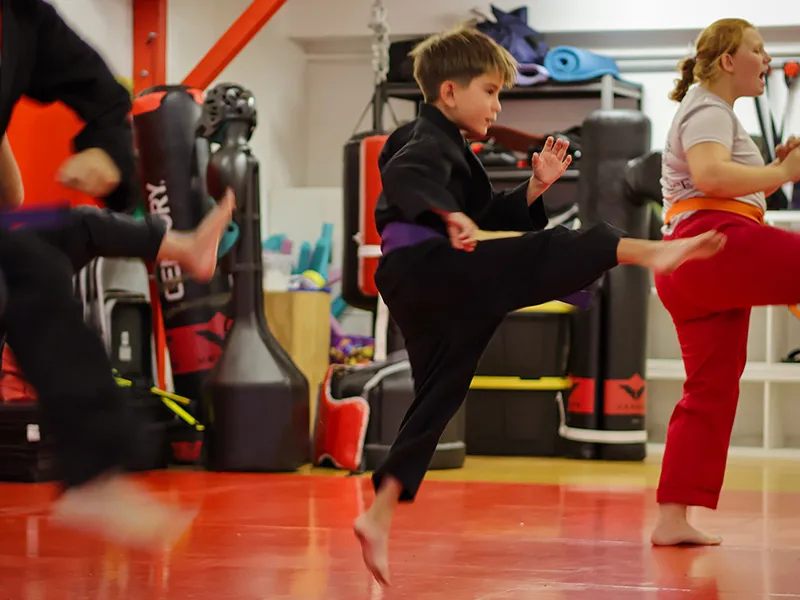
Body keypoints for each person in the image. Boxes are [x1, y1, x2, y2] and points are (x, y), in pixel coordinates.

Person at [352, 26, 728, 585]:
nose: (497, 105)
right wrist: (443, 213)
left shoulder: (459, 152)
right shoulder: (422, 137)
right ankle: (652, 253)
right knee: (561, 245)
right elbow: (404, 176)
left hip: (429, 285)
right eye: (490, 91)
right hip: (430, 269)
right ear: (449, 92)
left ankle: (378, 515)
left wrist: (533, 190)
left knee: (438, 394)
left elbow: (489, 217)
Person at [0, 0, 207, 548]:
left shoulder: (23, 21)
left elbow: (103, 94)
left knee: (62, 231)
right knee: (28, 261)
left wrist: (107, 154)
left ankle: (183, 247)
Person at [649, 18, 800, 547]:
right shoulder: (708, 107)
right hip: (714, 244)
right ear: (728, 61)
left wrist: (774, 170)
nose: (765, 57)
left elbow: (728, 184)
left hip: (692, 260)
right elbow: (712, 177)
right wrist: (784, 174)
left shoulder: (709, 112)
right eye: (757, 49)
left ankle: (671, 519)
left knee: (708, 393)